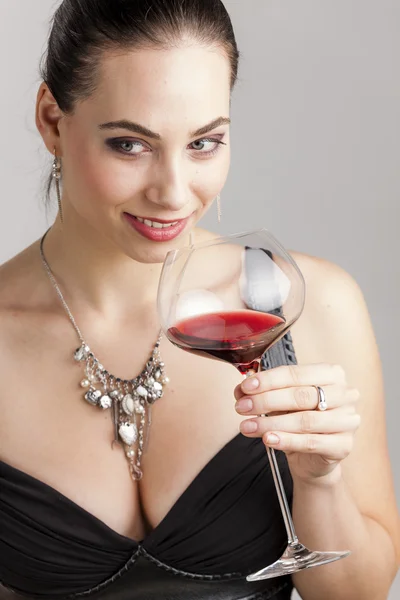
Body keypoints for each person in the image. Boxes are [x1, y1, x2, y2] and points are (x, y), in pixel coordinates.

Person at [0, 0, 399, 598]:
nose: (174, 192)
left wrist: (320, 483)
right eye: (130, 145)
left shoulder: (307, 305)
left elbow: (356, 593)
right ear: (53, 120)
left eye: (205, 143)